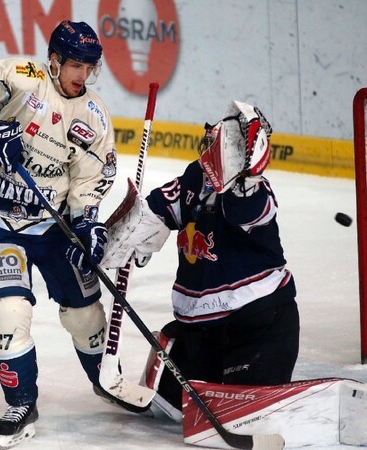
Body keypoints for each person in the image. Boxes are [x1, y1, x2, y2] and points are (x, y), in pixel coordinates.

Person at [0, 20, 131, 447]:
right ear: (55, 61)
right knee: (9, 314)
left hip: (53, 226)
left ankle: (106, 381)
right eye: (75, 65)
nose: (82, 75)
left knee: (85, 315)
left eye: (90, 67)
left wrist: (87, 224)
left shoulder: (94, 116)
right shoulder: (21, 78)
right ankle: (22, 401)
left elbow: (92, 177)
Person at [101, 100, 300, 420]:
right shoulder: (194, 178)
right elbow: (158, 207)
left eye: (218, 145)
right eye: (208, 142)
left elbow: (245, 209)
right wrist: (128, 229)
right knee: (169, 410)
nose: (208, 150)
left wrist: (243, 176)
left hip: (257, 326)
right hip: (200, 331)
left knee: (244, 414)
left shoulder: (253, 194)